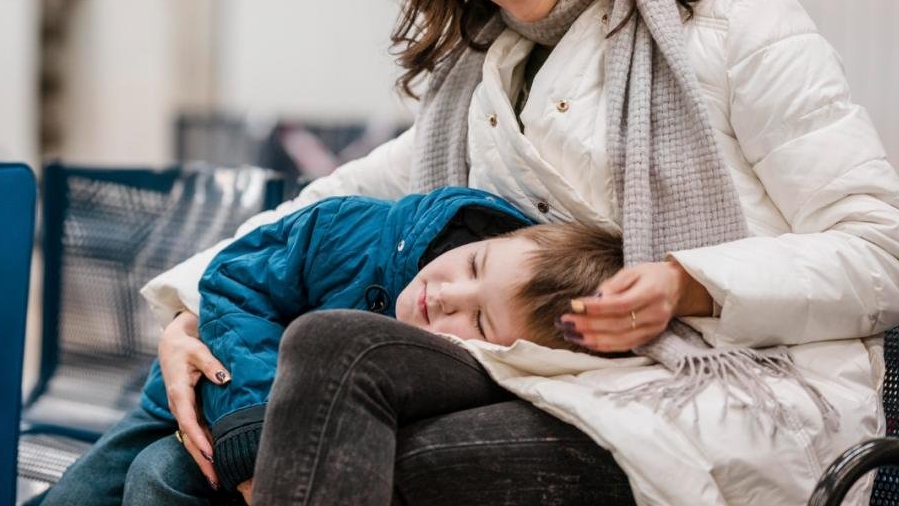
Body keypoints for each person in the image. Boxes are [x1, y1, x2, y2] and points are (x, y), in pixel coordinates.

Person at [144, 0, 899, 504]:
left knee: (357, 442)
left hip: (729, 402)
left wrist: (687, 284)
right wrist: (191, 312)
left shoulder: (739, 28)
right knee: (197, 453)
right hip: (560, 385)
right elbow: (330, 198)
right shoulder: (490, 82)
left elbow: (885, 255)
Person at [39, 186, 624, 505]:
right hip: (190, 394)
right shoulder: (356, 230)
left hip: (255, 432)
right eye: (473, 264)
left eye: (479, 317)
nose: (450, 296)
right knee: (85, 491)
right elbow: (236, 278)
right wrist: (251, 428)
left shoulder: (450, 369)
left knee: (156, 477)